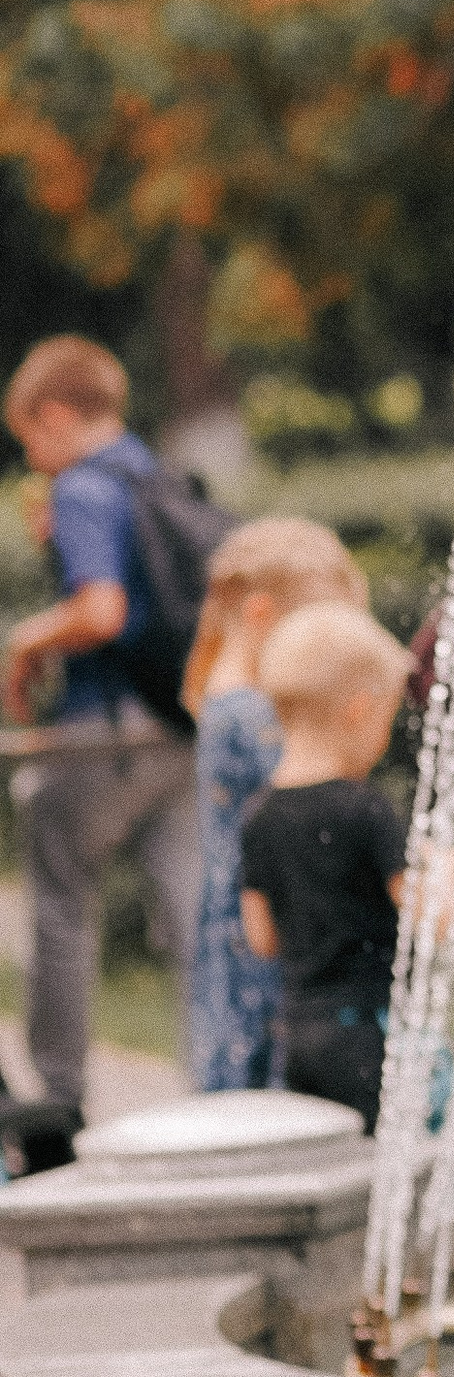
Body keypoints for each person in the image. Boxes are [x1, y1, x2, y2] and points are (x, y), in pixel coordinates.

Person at [1, 337, 202, 1151]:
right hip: (176, 725)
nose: (31, 459)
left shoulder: (83, 487)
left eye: (28, 439)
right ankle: (222, 1081)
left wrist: (25, 640)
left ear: (54, 415)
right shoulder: (158, 475)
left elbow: (102, 610)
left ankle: (59, 1100)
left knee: (60, 910)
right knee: (194, 913)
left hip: (100, 734)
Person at [181, 518, 369, 1097]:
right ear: (262, 614)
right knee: (267, 1084)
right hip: (260, 928)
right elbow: (317, 796)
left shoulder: (230, 696)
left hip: (241, 916)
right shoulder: (249, 715)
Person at [237, 602, 418, 1131]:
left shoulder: (259, 815)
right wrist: (449, 875)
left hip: (298, 1035)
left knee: (327, 1153)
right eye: (386, 719)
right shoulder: (366, 808)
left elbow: (262, 939)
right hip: (367, 1032)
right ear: (358, 710)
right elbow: (425, 915)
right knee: (382, 1157)